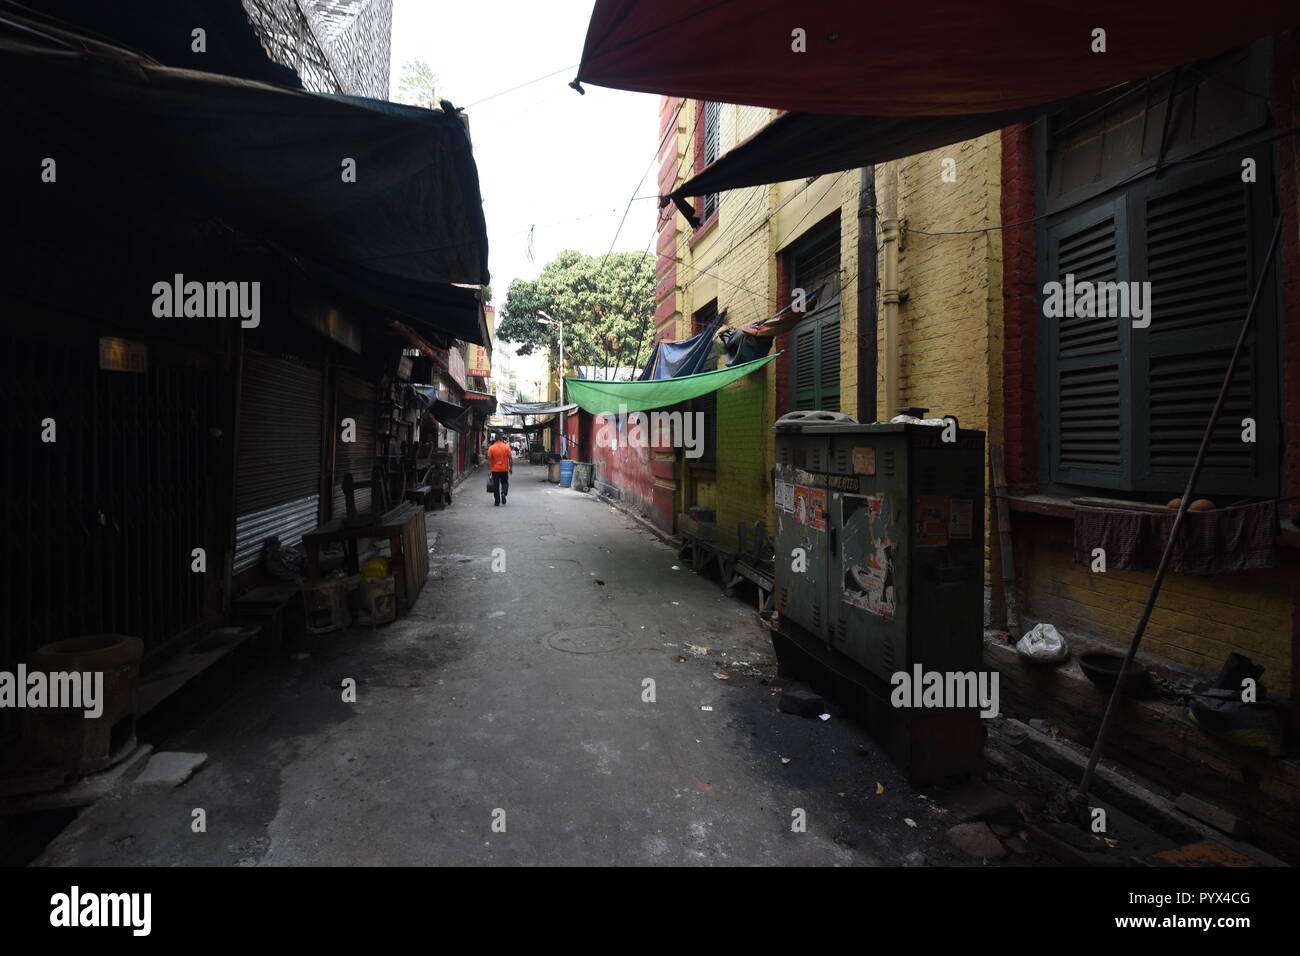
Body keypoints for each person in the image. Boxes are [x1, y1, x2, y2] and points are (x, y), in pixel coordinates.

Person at [486, 434, 513, 506]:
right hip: (504, 469)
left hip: (495, 470)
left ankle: (497, 501)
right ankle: (504, 493)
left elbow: (489, 460)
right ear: (501, 439)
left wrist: (489, 470)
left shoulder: (491, 448)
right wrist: (510, 468)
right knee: (505, 482)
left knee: (496, 485)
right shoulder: (506, 447)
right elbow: (510, 458)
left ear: (495, 439)